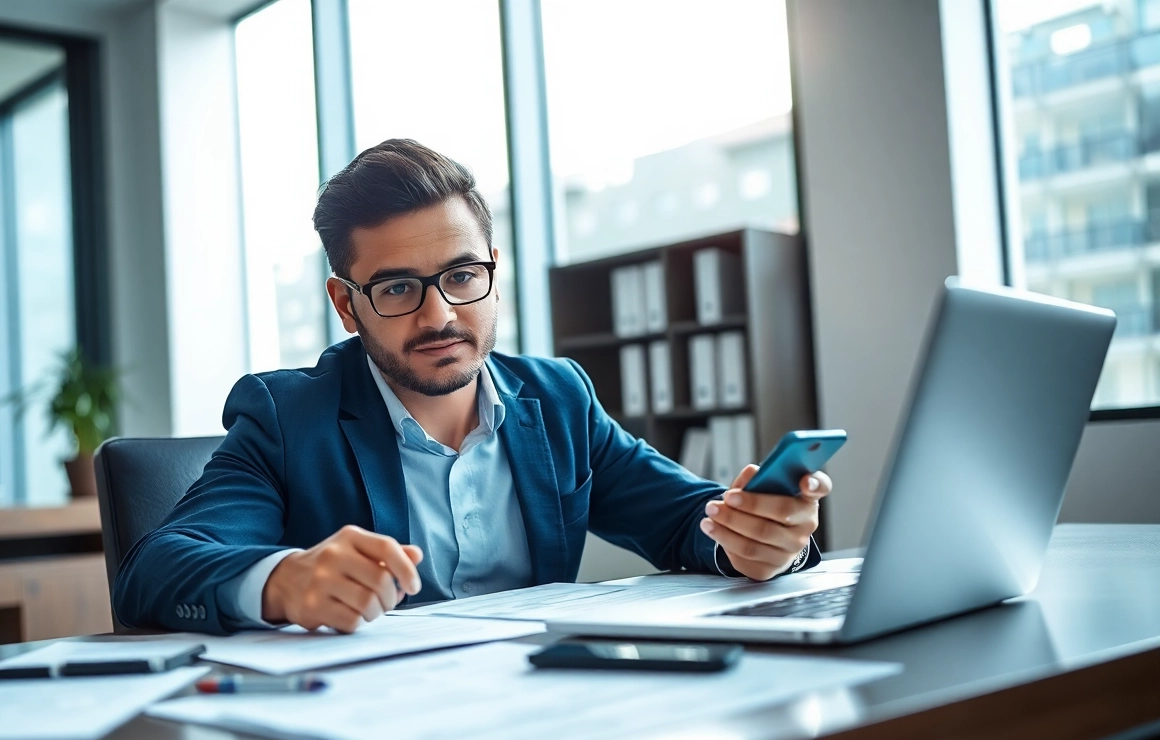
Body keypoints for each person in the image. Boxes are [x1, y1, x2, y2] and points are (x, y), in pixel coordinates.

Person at [112, 139, 831, 634]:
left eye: (461, 276)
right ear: (346, 304)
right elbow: (156, 569)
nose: (440, 316)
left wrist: (759, 539)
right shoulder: (286, 416)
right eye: (397, 287)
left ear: (492, 268)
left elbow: (685, 518)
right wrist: (283, 581)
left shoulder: (558, 399)